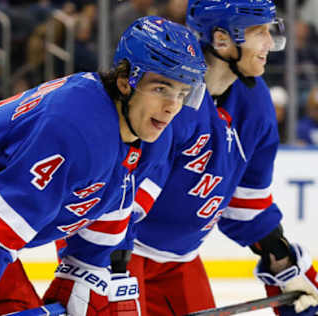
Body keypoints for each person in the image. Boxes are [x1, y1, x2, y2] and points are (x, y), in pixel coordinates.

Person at [0, 16, 207, 316]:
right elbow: (3, 215)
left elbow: (109, 209)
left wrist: (84, 271)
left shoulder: (150, 136)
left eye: (182, 93)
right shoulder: (76, 126)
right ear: (124, 81)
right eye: (161, 88)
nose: (171, 107)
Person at [120, 1, 318, 316]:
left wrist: (281, 260)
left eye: (270, 30)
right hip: (118, 248)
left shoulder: (256, 103)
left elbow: (246, 204)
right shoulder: (171, 98)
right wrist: (105, 267)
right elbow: (123, 196)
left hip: (179, 259)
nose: (270, 43)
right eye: (259, 32)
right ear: (223, 40)